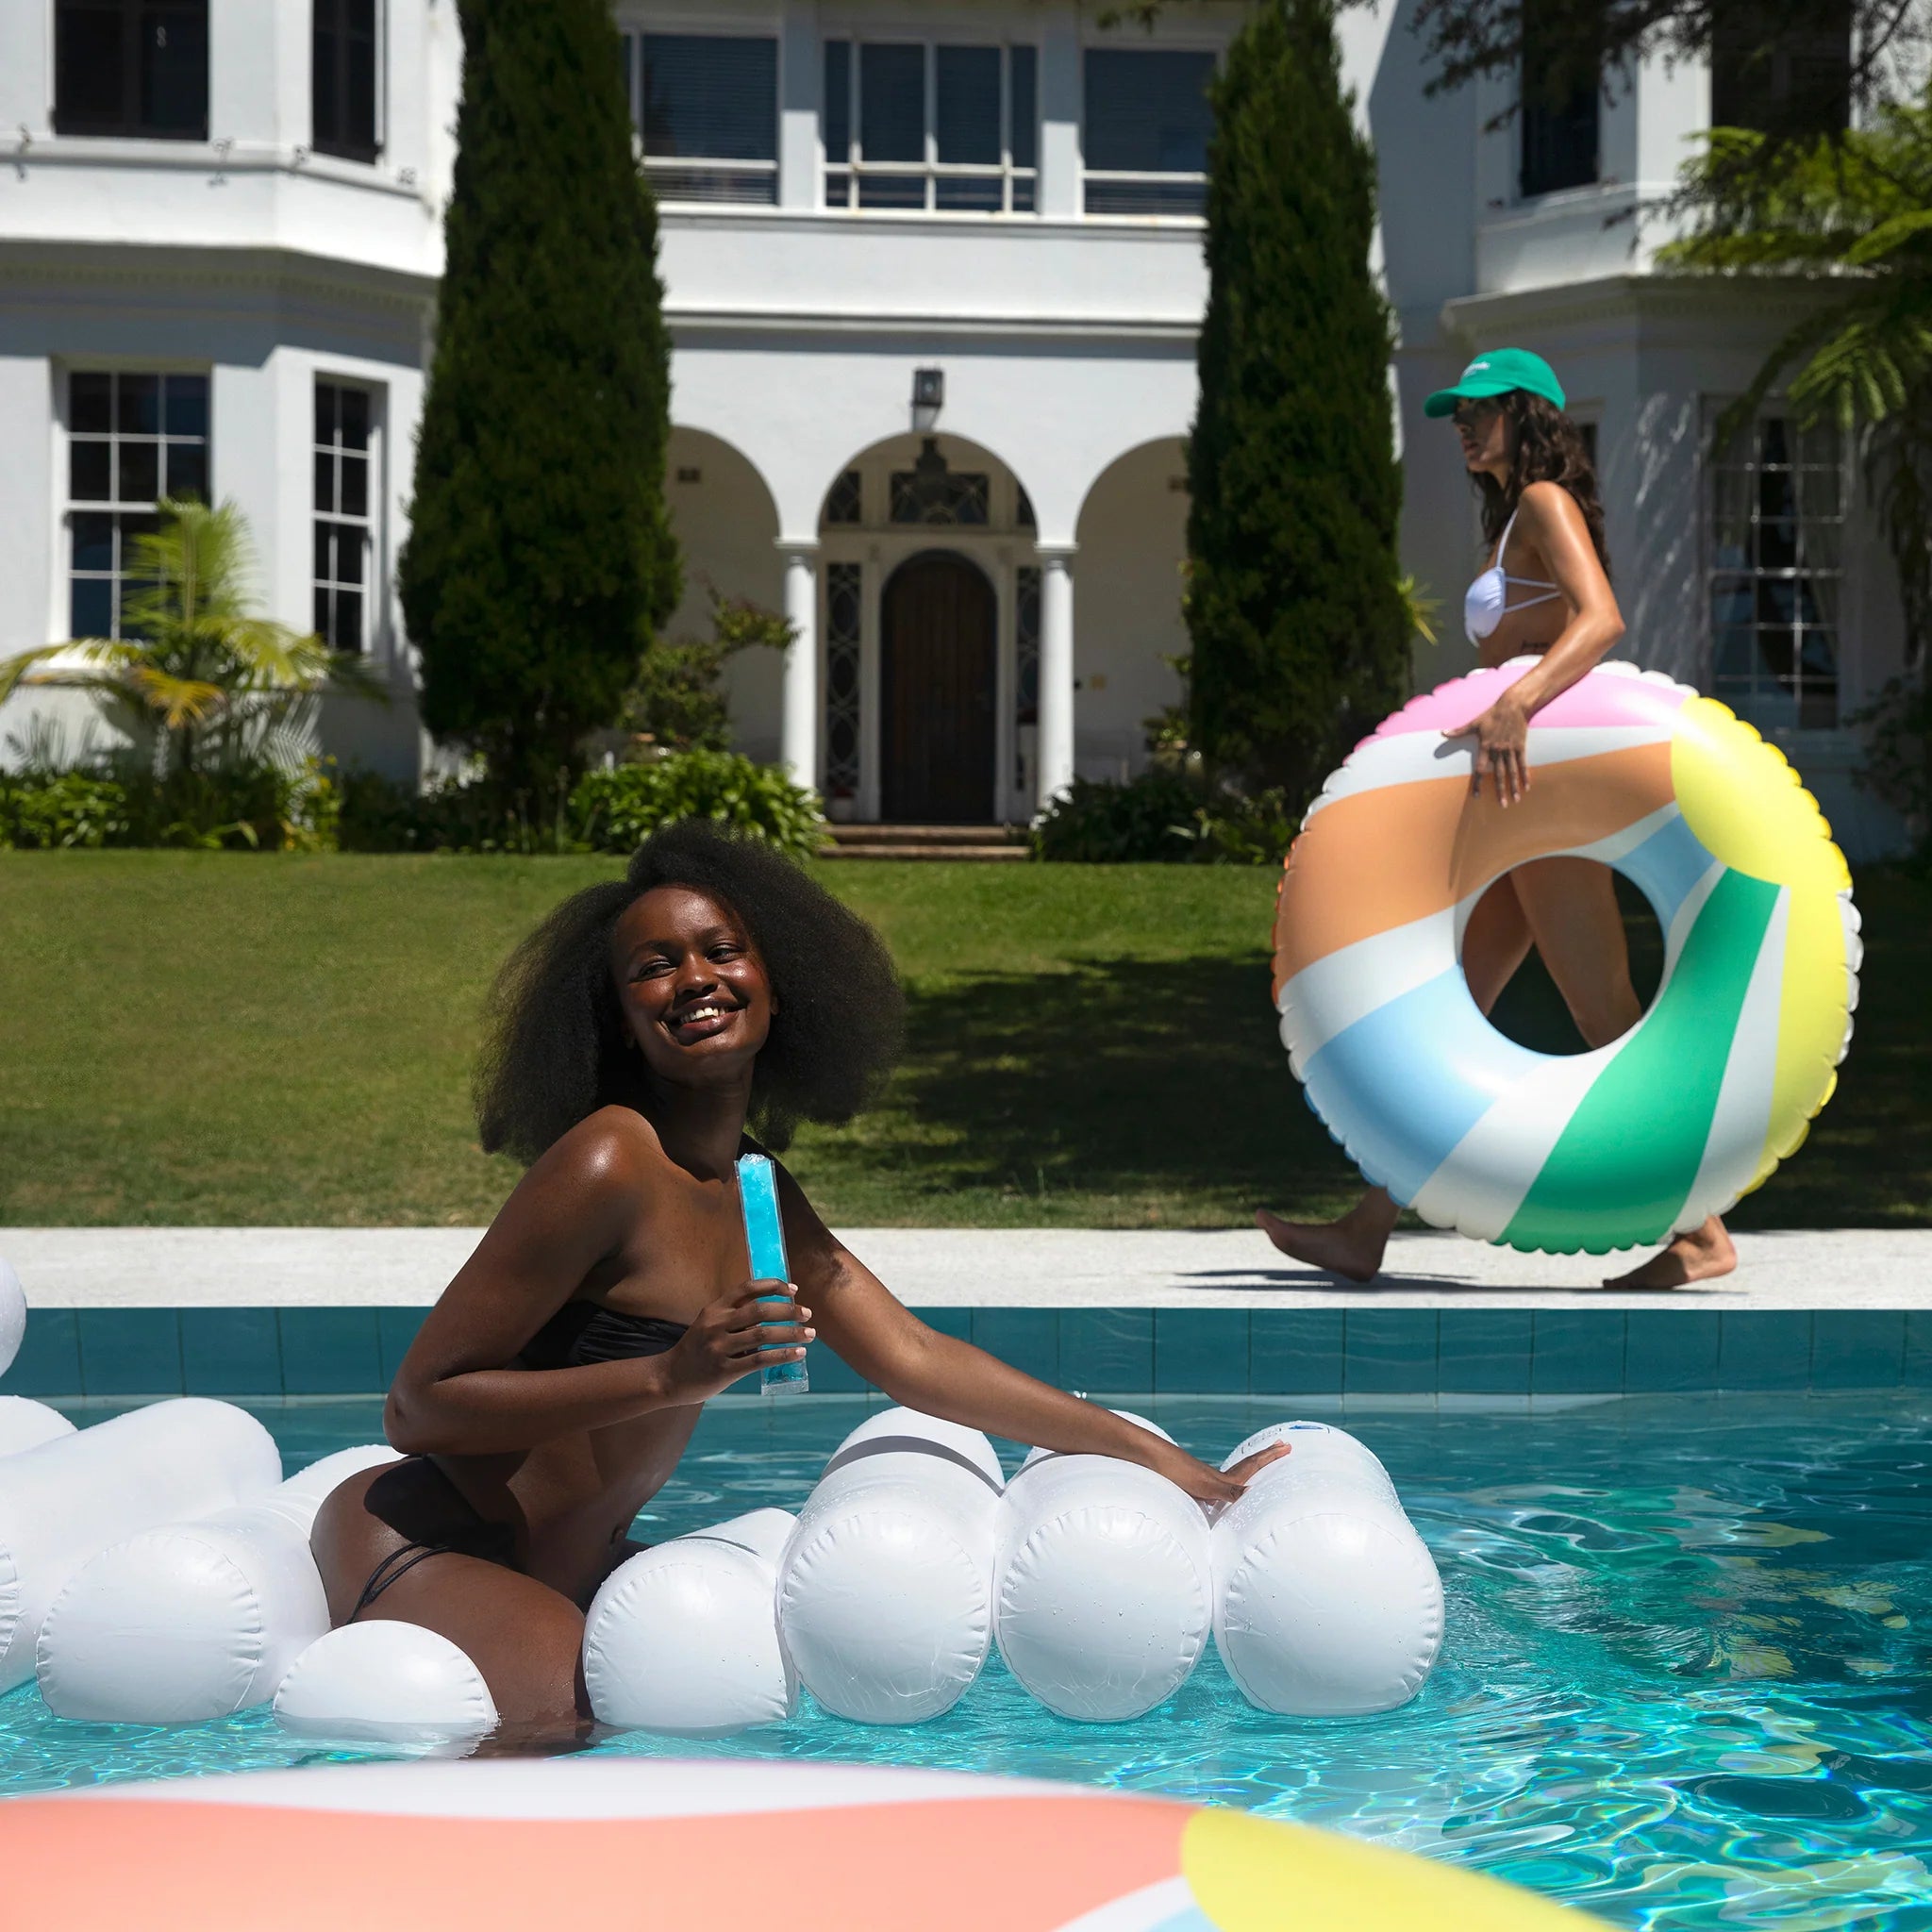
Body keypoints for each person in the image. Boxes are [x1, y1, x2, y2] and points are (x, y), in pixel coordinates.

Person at [312, 821, 1285, 1739]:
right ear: (617, 1021)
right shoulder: (606, 1160)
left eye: (719, 949)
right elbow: (417, 1405)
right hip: (431, 1539)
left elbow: (915, 1358)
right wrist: (666, 1374)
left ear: (776, 983)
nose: (694, 977)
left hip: (574, 1566)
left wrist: (1163, 1461)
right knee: (578, 1730)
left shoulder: (756, 1188)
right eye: (653, 966)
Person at [1257, 347, 1737, 1293]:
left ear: (1528, 413)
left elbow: (1599, 619)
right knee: (1447, 1006)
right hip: (1514, 799)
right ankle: (1366, 1225)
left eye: (1479, 409)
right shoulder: (1514, 519)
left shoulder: (1547, 502)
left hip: (1544, 796)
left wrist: (1517, 700)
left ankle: (1702, 1230)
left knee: (1603, 1013)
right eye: (1454, 414)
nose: (1461, 425)